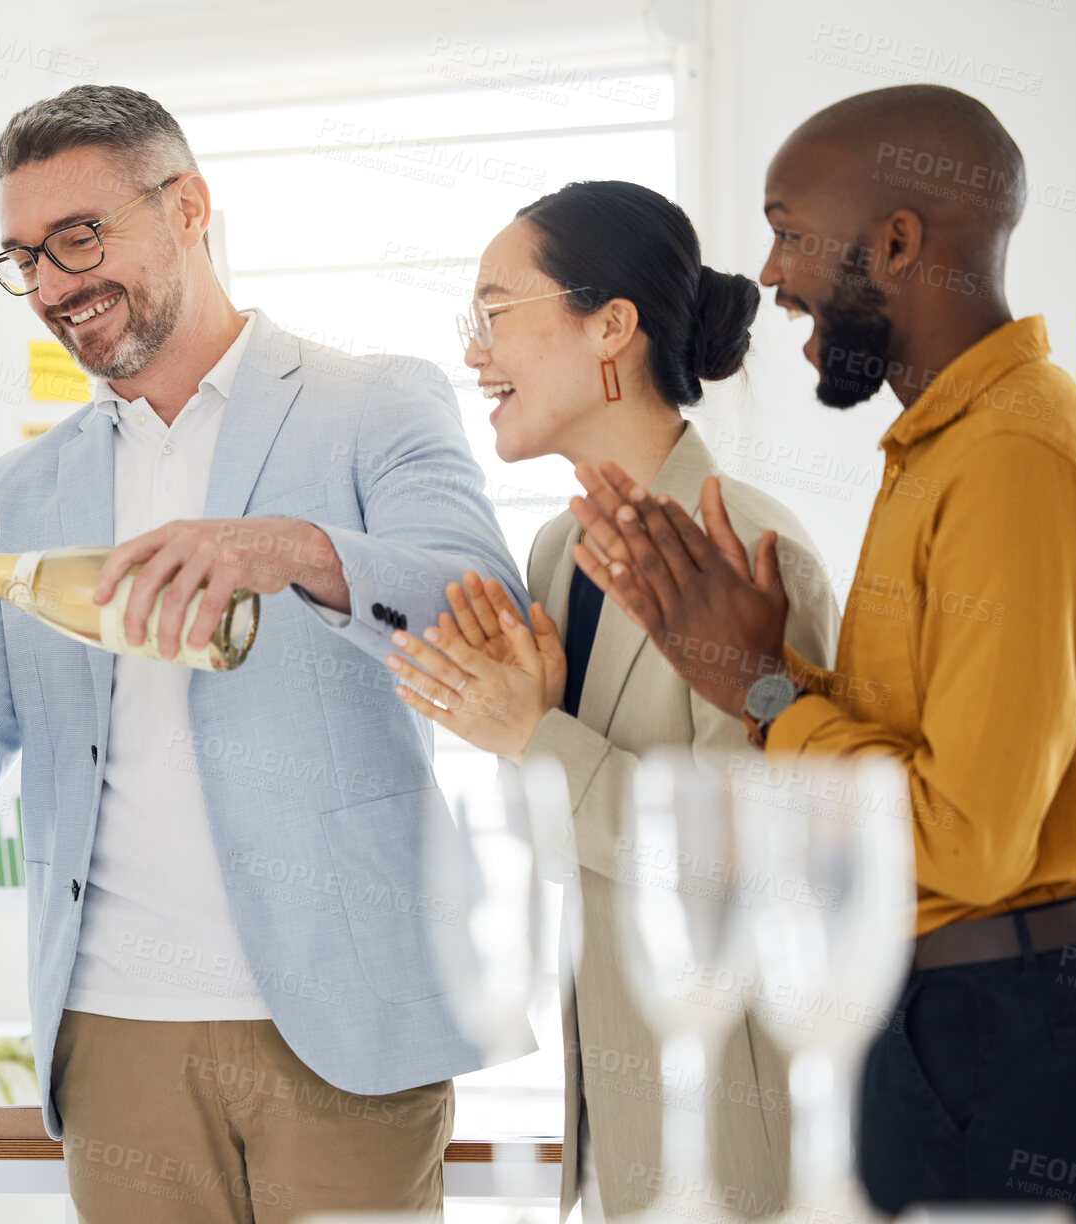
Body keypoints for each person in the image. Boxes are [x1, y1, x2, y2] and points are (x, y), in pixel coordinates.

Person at [0, 85, 530, 1223]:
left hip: (340, 1022)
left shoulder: (371, 404)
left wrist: (291, 549)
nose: (49, 286)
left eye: (79, 238)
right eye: (23, 258)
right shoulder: (23, 491)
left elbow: (480, 610)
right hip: (112, 1036)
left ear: (187, 207)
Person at [568, 85, 1076, 1220]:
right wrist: (763, 670)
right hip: (936, 1018)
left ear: (896, 242)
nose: (765, 274)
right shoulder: (940, 450)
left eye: (787, 229)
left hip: (988, 1027)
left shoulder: (1011, 456)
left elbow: (966, 840)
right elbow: (913, 765)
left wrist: (760, 691)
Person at [381, 180, 840, 1221]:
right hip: (616, 1118)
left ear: (609, 329)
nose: (473, 353)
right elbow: (576, 854)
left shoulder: (747, 553)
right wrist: (518, 736)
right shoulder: (558, 553)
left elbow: (751, 866)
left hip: (736, 1126)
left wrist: (529, 735)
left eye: (494, 314)